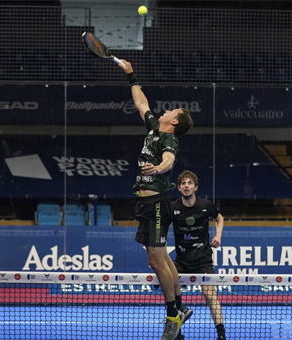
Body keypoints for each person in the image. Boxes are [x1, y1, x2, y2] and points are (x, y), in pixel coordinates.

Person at [117, 59, 194, 340]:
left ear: (174, 122)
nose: (169, 109)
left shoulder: (169, 140)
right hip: (146, 204)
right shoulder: (153, 129)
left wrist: (158, 168)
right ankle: (180, 308)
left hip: (157, 204)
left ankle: (173, 315)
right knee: (160, 261)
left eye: (174, 110)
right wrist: (130, 74)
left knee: (158, 262)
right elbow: (141, 103)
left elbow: (169, 161)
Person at [172, 170, 226, 340]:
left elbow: (219, 218)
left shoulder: (206, 205)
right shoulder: (173, 208)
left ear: (195, 187)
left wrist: (218, 235)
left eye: (189, 183)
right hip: (182, 260)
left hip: (203, 259)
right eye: (183, 183)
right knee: (172, 296)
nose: (186, 186)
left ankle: (221, 335)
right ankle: (177, 333)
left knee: (210, 296)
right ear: (179, 188)